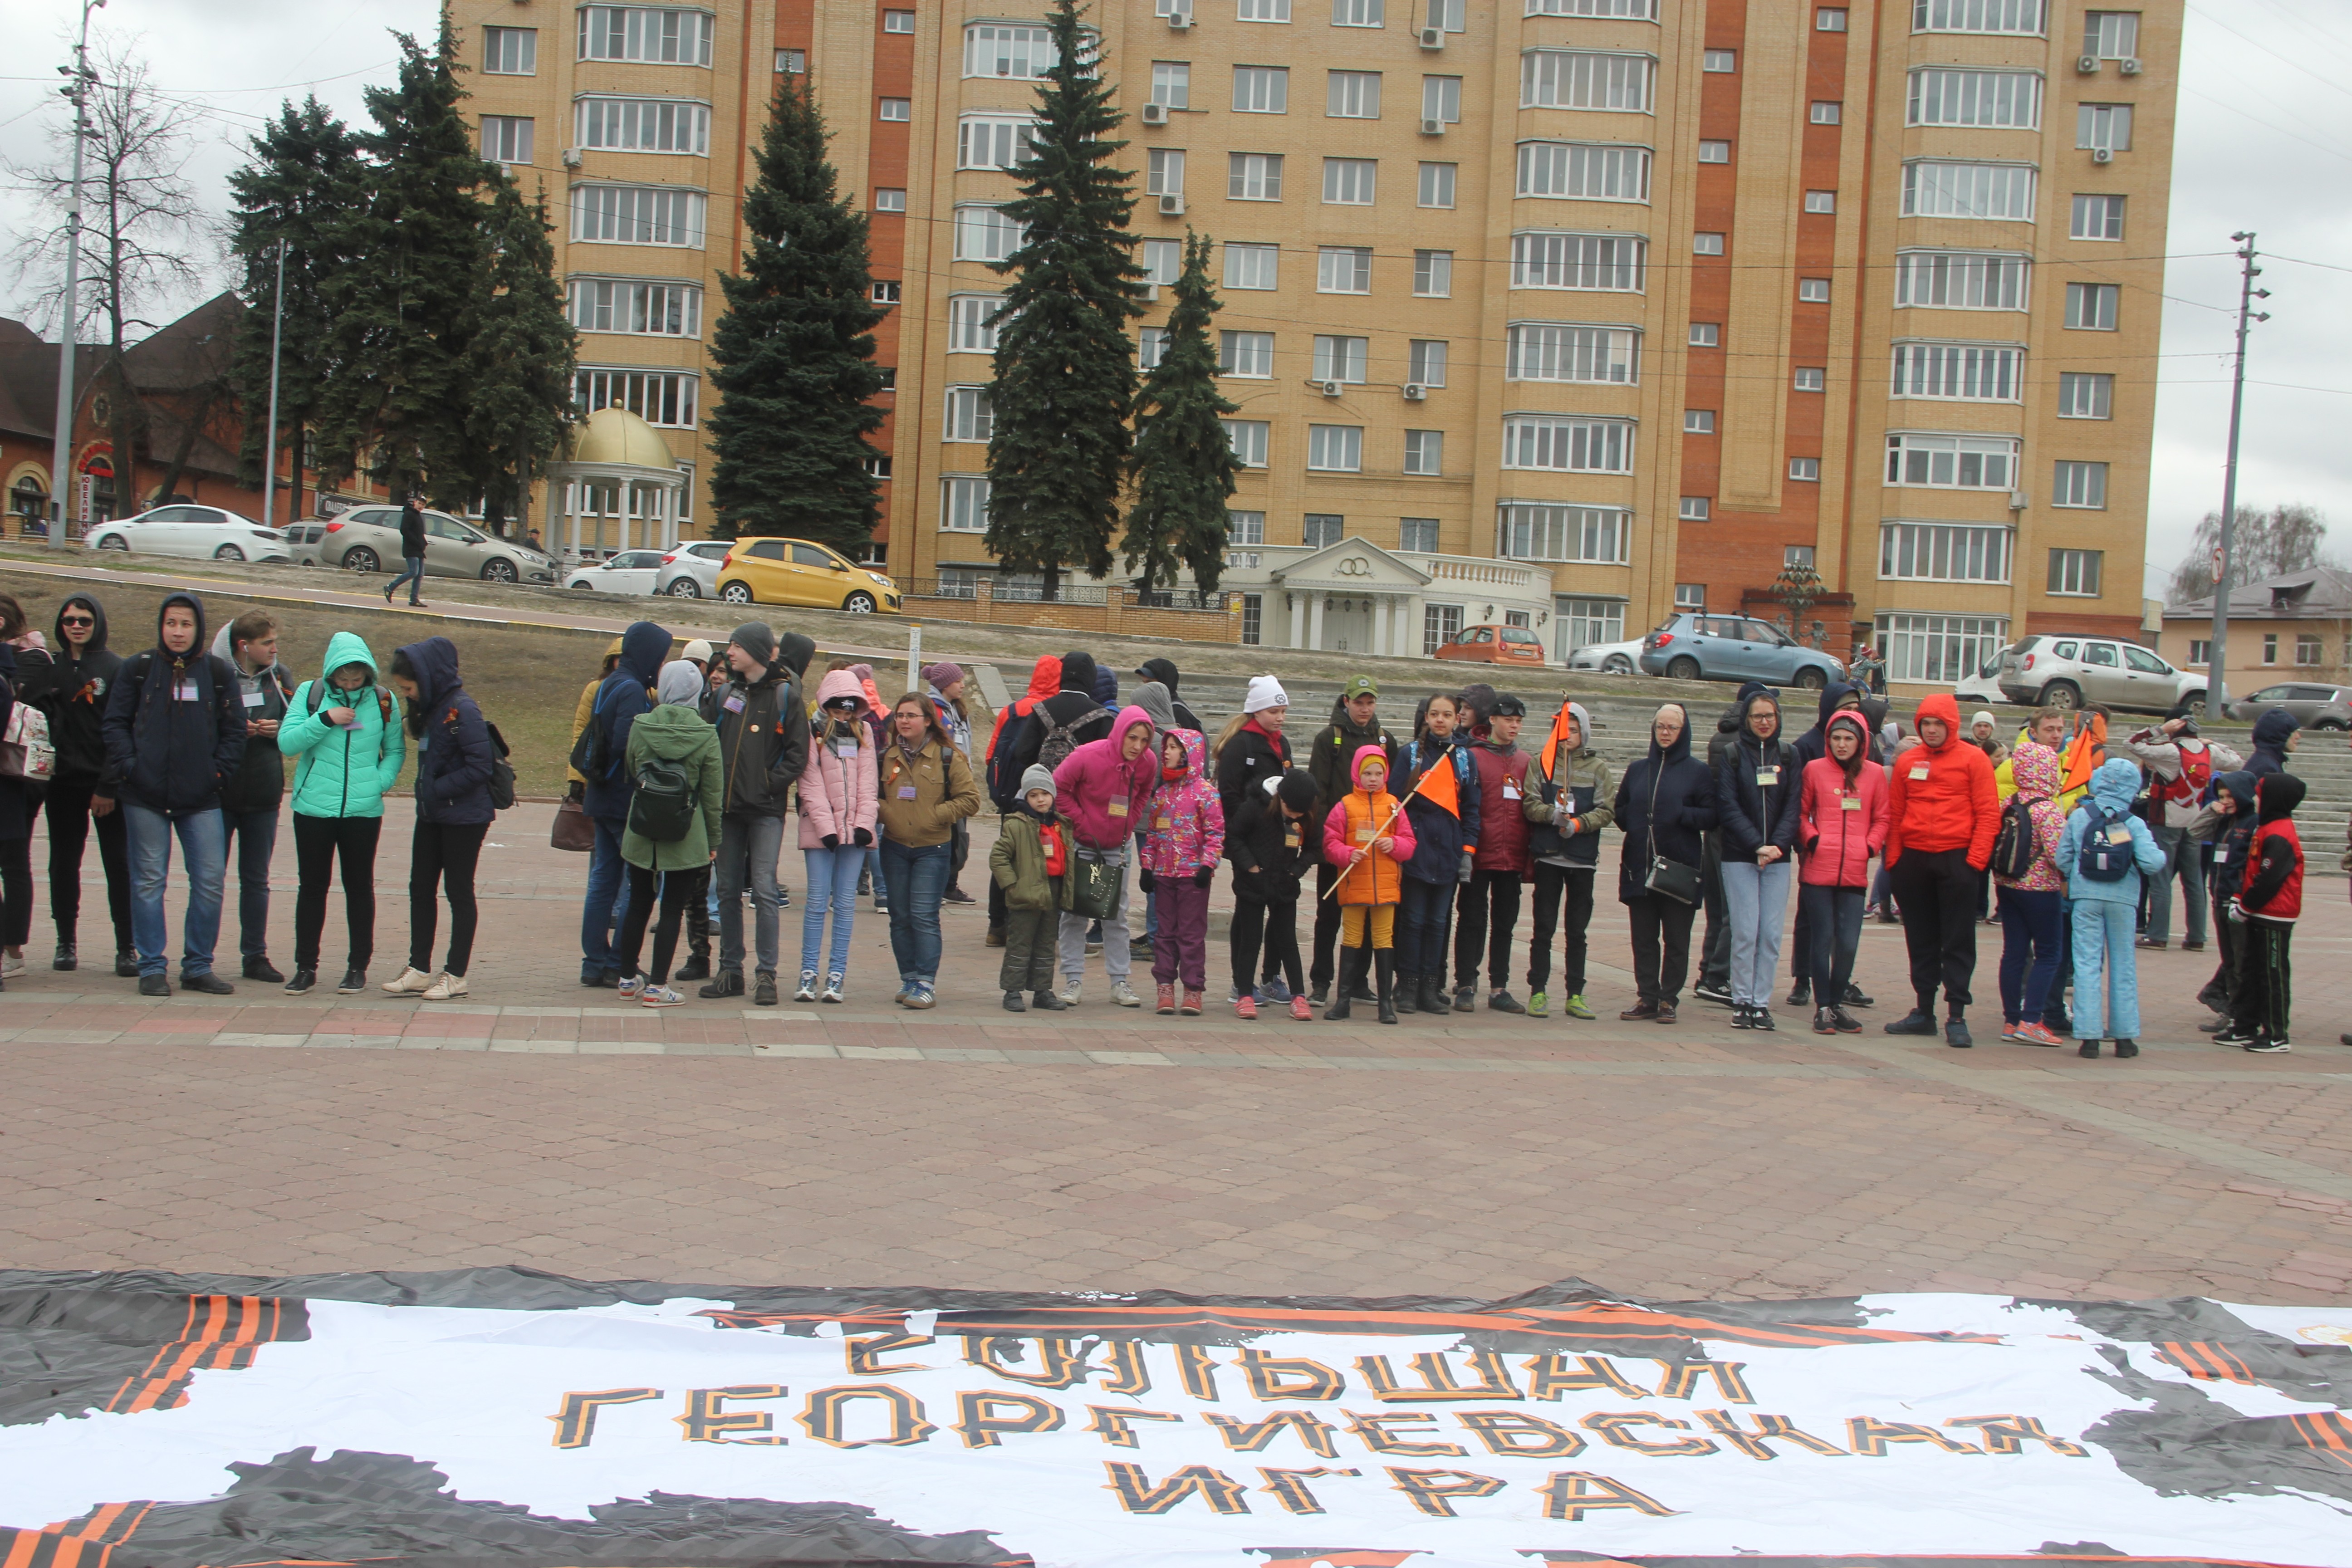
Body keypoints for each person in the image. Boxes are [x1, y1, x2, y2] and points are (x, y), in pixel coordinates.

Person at [100, 593, 245, 996]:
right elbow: (114, 724)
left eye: (186, 624)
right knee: (148, 881)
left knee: (210, 881)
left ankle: (198, 966)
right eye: (171, 623)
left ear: (198, 627)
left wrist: (218, 774)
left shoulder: (217, 672)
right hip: (144, 796)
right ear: (161, 626)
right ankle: (151, 966)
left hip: (201, 797)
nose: (178, 632)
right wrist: (131, 766)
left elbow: (235, 730)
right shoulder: (138, 669)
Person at [276, 632, 405, 996]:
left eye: (357, 678)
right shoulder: (310, 693)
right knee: (313, 888)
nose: (350, 685)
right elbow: (287, 744)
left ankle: (357, 966)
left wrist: (377, 783)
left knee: (359, 887)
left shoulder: (384, 700)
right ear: (331, 674)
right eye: (343, 679)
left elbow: (395, 750)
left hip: (363, 811)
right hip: (314, 808)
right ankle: (306, 967)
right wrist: (325, 719)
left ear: (368, 674)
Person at [1883, 693, 2003, 1045]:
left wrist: (1974, 863)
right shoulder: (1908, 762)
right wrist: (1895, 861)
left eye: (1939, 724)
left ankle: (1957, 1014)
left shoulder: (1974, 760)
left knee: (1958, 940)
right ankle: (1923, 1010)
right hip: (1914, 861)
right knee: (1921, 938)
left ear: (1952, 726)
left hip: (1957, 859)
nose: (1932, 730)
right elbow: (1896, 813)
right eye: (1926, 724)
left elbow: (1987, 815)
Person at [701, 622, 811, 1006]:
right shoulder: (725, 694)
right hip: (727, 810)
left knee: (764, 889)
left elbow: (799, 754)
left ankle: (766, 975)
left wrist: (767, 783)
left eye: (737, 646)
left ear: (757, 652)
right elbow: (707, 741)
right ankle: (731, 970)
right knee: (727, 889)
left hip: (765, 810)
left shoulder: (785, 696)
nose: (729, 653)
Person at [383, 637, 495, 1001]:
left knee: (458, 891)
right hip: (432, 814)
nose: (408, 694)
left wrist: (439, 788)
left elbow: (481, 766)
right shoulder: (431, 709)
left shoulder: (464, 710)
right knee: (420, 887)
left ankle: (456, 974)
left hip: (464, 817)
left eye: (409, 688)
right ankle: (418, 967)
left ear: (429, 678)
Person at [26, 594, 132, 975]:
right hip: (62, 783)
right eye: (70, 620)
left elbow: (122, 731)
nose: (76, 626)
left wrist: (108, 785)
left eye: (85, 621)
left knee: (118, 863)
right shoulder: (50, 668)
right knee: (64, 863)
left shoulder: (115, 668)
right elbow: (31, 714)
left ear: (97, 624)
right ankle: (66, 941)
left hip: (105, 783)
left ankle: (127, 946)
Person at [612, 662, 724, 1009]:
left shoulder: (641, 726)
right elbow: (712, 794)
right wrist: (714, 841)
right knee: (673, 907)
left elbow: (632, 768)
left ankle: (628, 978)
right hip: (686, 829)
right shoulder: (706, 734)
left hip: (643, 825)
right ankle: (658, 986)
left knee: (638, 903)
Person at [573, 622, 669, 986]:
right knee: (634, 885)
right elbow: (627, 744)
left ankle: (594, 961)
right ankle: (619, 961)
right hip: (621, 797)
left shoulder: (611, 683)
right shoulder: (632, 689)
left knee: (603, 881)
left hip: (601, 793)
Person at [2055, 756, 2166, 1059]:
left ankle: (2089, 1037)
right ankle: (2125, 1037)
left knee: (2087, 965)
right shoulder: (2133, 823)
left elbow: (2062, 858)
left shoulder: (2080, 816)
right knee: (2123, 965)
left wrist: (2074, 875)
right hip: (2123, 899)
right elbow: (2152, 863)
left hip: (2086, 898)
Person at [1612, 703, 1715, 1025]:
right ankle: (1647, 996)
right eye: (1660, 727)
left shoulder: (1698, 771)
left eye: (1672, 728)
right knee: (1643, 938)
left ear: (1683, 732)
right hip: (1639, 865)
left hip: (1679, 869)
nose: (1666, 733)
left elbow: (1713, 815)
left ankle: (1669, 998)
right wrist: (1635, 819)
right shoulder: (1638, 769)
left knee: (1676, 939)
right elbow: (1621, 809)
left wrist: (1682, 815)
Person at [877, 691, 981, 1009]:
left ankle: (926, 982)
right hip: (894, 847)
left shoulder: (948, 757)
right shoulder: (886, 756)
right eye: (900, 716)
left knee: (924, 916)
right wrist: (885, 811)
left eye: (911, 716)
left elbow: (971, 800)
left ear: (927, 721)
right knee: (899, 916)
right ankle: (908, 977)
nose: (904, 721)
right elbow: (872, 793)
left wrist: (935, 816)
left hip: (932, 849)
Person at [209, 611, 295, 983]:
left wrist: (279, 731)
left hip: (263, 792)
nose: (275, 649)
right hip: (220, 793)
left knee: (256, 878)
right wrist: (231, 731)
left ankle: (255, 956)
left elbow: (298, 731)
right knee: (210, 878)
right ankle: (200, 957)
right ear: (245, 646)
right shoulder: (215, 675)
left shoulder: (280, 677)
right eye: (267, 643)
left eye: (275, 641)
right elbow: (197, 726)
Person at [1050, 704, 1155, 1007]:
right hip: (1084, 845)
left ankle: (1120, 981)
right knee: (1074, 913)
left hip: (1118, 847)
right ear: (1120, 733)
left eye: (1144, 741)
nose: (1137, 747)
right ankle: (1073, 980)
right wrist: (1081, 824)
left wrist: (1129, 823)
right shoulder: (1088, 755)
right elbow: (1059, 787)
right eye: (1132, 738)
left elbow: (1145, 791)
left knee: (1116, 914)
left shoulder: (1147, 762)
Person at [1306, 675, 1401, 1006]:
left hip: (1375, 849)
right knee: (1329, 914)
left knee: (1370, 911)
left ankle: (1358, 981)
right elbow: (1317, 792)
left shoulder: (1386, 740)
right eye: (1358, 702)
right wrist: (1323, 845)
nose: (1364, 709)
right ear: (1346, 702)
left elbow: (1394, 794)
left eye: (1370, 702)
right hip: (1338, 844)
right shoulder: (1328, 738)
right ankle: (1321, 981)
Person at [1715, 686, 1803, 1030]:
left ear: (1778, 719)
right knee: (1746, 931)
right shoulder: (1734, 754)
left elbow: (1794, 805)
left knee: (1769, 933)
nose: (1764, 722)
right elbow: (1728, 806)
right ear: (1747, 720)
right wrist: (1757, 845)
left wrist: (1778, 845)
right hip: (1740, 856)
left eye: (1769, 716)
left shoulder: (1790, 755)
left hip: (1778, 859)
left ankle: (1761, 1003)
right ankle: (1742, 1001)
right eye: (1757, 716)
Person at [1784, 681, 1875, 1011]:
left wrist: (1869, 846)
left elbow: (1879, 811)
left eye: (1855, 709)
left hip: (1852, 859)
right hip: (1817, 855)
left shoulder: (1868, 756)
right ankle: (1802, 979)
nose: (1850, 714)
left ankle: (1840, 985)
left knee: (1844, 932)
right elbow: (1801, 803)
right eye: (1843, 708)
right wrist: (1811, 840)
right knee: (1811, 923)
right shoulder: (1807, 748)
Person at [1797, 712, 1886, 1034]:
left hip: (1854, 871)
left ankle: (1837, 1002)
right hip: (1818, 871)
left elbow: (1883, 819)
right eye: (1836, 738)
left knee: (1848, 943)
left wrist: (1870, 847)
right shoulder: (1814, 770)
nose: (1842, 744)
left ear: (1860, 742)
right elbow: (1801, 813)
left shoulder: (1875, 775)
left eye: (1848, 738)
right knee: (1822, 939)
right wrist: (1813, 839)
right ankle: (1822, 1007)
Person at [1523, 700, 1612, 1021]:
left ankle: (1575, 993)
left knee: (1577, 931)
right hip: (1549, 856)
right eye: (1562, 730)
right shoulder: (1541, 764)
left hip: (1582, 859)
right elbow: (1530, 803)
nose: (1567, 736)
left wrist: (1579, 824)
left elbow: (1607, 809)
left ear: (1583, 733)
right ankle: (1538, 991)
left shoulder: (1598, 768)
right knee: (1543, 928)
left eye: (1573, 730)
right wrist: (1552, 815)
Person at [1393, 693, 1480, 1018]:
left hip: (1448, 851)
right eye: (1434, 714)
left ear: (1458, 719)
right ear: (1426, 718)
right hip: (1416, 851)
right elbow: (1394, 803)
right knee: (1413, 921)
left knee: (1438, 922)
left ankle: (1431, 987)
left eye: (1447, 714)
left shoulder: (1464, 759)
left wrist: (1467, 851)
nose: (1440, 720)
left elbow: (1472, 809)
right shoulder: (1410, 755)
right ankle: (1408, 985)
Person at [2126, 707, 2238, 953]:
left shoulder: (2170, 751)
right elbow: (2237, 761)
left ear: (2173, 728)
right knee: (2195, 881)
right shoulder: (2210, 751)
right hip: (2195, 821)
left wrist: (2159, 732)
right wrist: (2211, 743)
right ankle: (2197, 937)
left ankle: (2158, 936)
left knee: (2161, 880)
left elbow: (2132, 743)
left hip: (2165, 820)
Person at [797, 669, 878, 1004]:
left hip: (856, 833)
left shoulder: (865, 733)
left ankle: (836, 975)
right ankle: (807, 973)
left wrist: (864, 824)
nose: (843, 716)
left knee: (845, 905)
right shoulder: (812, 731)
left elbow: (869, 781)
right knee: (817, 902)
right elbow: (809, 783)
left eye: (849, 710)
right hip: (821, 832)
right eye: (838, 709)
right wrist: (827, 829)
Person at [1450, 693, 1531, 1014]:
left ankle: (1500, 987)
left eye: (1519, 722)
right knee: (1471, 919)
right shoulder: (1472, 756)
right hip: (1478, 853)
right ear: (1492, 721)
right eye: (1509, 720)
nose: (1514, 726)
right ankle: (1466, 982)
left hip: (1512, 856)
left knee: (1505, 923)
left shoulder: (1526, 762)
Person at [1323, 745, 1415, 1024]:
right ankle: (1343, 1001)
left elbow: (1410, 843)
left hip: (1386, 888)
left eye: (1379, 773)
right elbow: (1330, 844)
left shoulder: (1395, 806)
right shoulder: (1344, 807)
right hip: (1354, 886)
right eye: (1368, 773)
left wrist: (1395, 844)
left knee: (1384, 941)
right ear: (1357, 774)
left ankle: (1385, 1004)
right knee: (1351, 939)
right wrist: (1348, 854)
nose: (1373, 778)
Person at [1136, 726, 1225, 1015]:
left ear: (1189, 753)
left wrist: (1207, 865)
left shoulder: (1207, 794)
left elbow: (1216, 834)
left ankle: (1193, 989)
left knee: (1191, 934)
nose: (1167, 753)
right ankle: (1165, 987)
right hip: (1164, 875)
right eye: (1167, 747)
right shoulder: (1161, 794)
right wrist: (1147, 866)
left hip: (1192, 878)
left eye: (1173, 747)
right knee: (1165, 933)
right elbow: (1152, 835)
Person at [1991, 740, 2068, 1047]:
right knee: (2049, 953)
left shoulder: (2009, 803)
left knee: (2014, 952)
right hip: (2041, 889)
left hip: (2007, 885)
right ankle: (2032, 1019)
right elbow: (2059, 855)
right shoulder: (2048, 810)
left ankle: (2011, 1020)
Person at [983, 654, 1063, 948]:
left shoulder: (1011, 709)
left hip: (1010, 798)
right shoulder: (1052, 711)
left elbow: (992, 754)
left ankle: (996, 925)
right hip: (1040, 796)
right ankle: (1033, 927)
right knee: (1042, 859)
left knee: (1006, 856)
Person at [1691, 684, 1763, 1009]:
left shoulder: (1719, 737)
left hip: (1716, 832)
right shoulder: (1743, 743)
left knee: (1718, 909)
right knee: (1735, 909)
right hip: (1734, 833)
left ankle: (1709, 971)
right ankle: (1717, 976)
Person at [2221, 771, 2303, 1054]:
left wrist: (2246, 906)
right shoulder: (2267, 827)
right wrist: (2240, 898)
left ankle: (2277, 1033)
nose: (2255, 798)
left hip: (2275, 914)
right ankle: (2246, 1025)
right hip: (2259, 911)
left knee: (2273, 974)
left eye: (2260, 793)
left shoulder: (2280, 833)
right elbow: (2253, 870)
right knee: (2252, 970)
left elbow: (2270, 879)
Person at [1227, 770, 1319, 1021]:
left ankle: (1299, 996)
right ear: (1281, 798)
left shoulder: (1307, 815)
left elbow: (1314, 848)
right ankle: (1244, 994)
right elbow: (1234, 838)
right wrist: (1251, 867)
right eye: (1291, 811)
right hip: (1253, 883)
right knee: (1251, 940)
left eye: (1300, 814)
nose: (1295, 817)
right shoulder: (1255, 806)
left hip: (1284, 884)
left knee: (1287, 940)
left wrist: (1295, 872)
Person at [0, 594, 52, 978]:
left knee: (14, 865)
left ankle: (12, 951)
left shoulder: (26, 662)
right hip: (12, 784)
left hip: (11, 784)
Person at [992, 764, 1072, 1012]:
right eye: (1034, 795)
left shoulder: (1060, 824)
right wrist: (1012, 885)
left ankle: (1042, 990)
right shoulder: (1017, 824)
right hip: (1025, 893)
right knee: (1020, 943)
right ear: (1025, 797)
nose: (1040, 800)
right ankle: (1012, 991)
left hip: (1053, 889)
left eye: (1045, 794)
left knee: (1046, 943)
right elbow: (999, 857)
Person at [923, 661, 980, 906]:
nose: (963, 685)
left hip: (960, 780)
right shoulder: (931, 709)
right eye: (959, 681)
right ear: (945, 684)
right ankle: (935, 886)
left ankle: (950, 885)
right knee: (940, 835)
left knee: (959, 836)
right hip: (939, 783)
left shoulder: (957, 710)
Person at [1135, 658, 1205, 732]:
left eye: (1150, 683)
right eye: (1144, 683)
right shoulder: (1158, 707)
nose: (1146, 687)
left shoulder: (1177, 712)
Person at [382, 495, 428, 608]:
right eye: (419, 504)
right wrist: (417, 542)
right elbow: (404, 530)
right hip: (411, 548)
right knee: (413, 572)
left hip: (419, 549)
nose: (420, 506)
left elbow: (419, 533)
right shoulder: (409, 514)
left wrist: (423, 543)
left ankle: (414, 599)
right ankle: (390, 588)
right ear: (415, 502)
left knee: (419, 575)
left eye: (423, 505)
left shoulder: (418, 516)